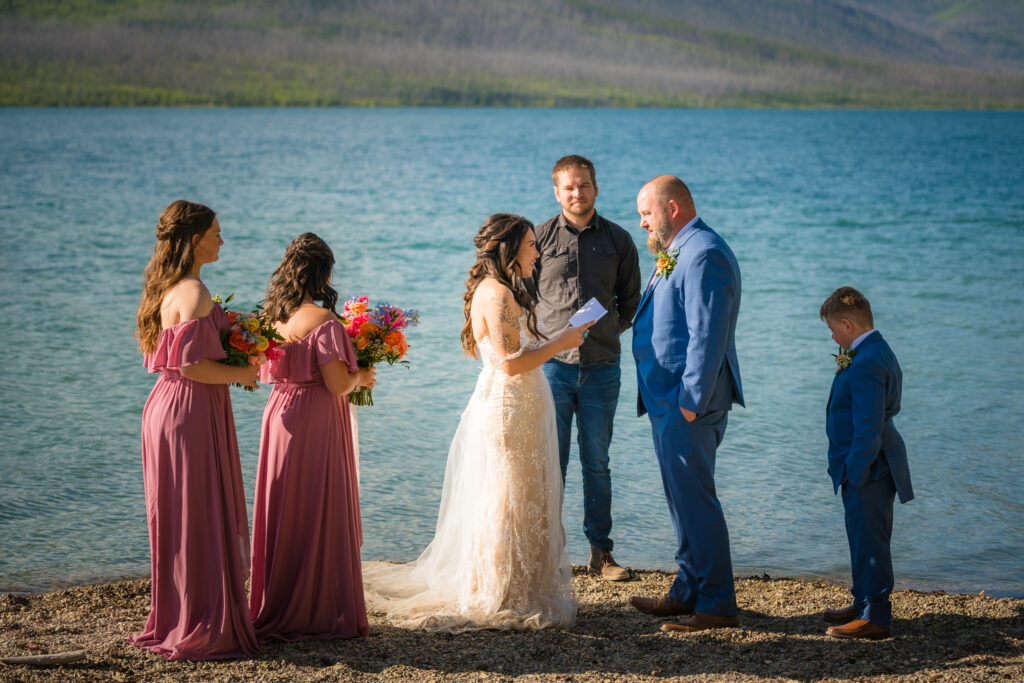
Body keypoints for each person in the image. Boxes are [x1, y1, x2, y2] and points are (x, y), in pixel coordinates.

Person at [362, 214, 591, 631]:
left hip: (521, 404)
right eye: (531, 245)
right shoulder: (497, 294)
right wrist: (562, 343)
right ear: (509, 249)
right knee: (508, 496)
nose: (537, 252)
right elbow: (509, 363)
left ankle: (517, 585)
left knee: (520, 492)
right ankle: (499, 591)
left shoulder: (500, 290)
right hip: (511, 406)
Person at [131, 200, 259, 660]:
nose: (222, 239)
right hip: (189, 408)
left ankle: (179, 614)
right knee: (198, 510)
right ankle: (202, 620)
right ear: (193, 239)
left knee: (179, 513)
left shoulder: (167, 289)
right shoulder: (195, 292)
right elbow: (193, 367)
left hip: (164, 409)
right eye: (216, 232)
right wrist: (244, 374)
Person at [629, 176, 744, 633]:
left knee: (696, 501)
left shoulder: (704, 252)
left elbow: (707, 334)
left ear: (673, 208)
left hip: (686, 402)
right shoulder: (680, 247)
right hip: (666, 398)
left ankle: (717, 605)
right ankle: (688, 590)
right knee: (681, 499)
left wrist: (690, 402)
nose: (641, 222)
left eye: (646, 212)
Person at [249, 233, 376, 642]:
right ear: (321, 274)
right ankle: (318, 608)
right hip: (317, 418)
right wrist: (363, 375)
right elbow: (339, 385)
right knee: (319, 505)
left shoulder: (273, 318)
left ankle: (281, 600)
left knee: (286, 506)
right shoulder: (324, 322)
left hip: (279, 415)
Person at [532, 154, 641, 581]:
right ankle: (549, 554)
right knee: (550, 463)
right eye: (569, 187)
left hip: (602, 367)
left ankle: (602, 554)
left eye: (585, 185)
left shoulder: (618, 240)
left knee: (596, 462)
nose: (578, 193)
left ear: (596, 188)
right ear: (557, 191)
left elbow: (631, 302)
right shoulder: (537, 239)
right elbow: (523, 301)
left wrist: (608, 328)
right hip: (552, 369)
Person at [819, 286, 913, 640]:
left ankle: (875, 615)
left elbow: (869, 427)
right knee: (860, 537)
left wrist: (855, 472)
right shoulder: (873, 349)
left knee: (870, 539)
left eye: (832, 329)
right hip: (866, 464)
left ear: (848, 325)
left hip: (870, 467)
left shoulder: (869, 360)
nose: (831, 336)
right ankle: (862, 601)